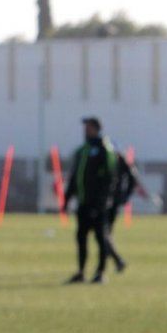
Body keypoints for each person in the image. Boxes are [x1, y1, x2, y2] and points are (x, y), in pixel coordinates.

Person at [63, 117, 126, 284]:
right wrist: (67, 199)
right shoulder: (83, 150)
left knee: (100, 237)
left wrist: (103, 200)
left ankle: (100, 272)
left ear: (97, 129)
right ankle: (81, 272)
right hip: (83, 202)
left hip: (99, 204)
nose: (85, 130)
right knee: (81, 237)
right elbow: (75, 177)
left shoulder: (105, 149)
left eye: (89, 127)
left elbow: (110, 178)